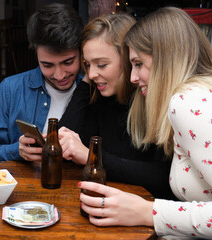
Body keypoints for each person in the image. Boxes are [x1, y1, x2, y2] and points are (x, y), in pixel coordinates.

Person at [78, 7, 212, 239]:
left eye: (138, 64)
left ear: (166, 58)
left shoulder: (188, 102)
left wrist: (149, 212)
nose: (132, 77)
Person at [58, 13, 175, 200]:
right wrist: (85, 83)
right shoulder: (99, 96)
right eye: (87, 65)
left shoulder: (153, 102)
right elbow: (63, 146)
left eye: (102, 64)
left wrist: (93, 158)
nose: (92, 73)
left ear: (130, 61)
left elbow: (164, 178)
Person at [0, 3, 83, 162]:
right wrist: (16, 150)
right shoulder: (10, 90)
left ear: (81, 52)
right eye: (47, 65)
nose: (59, 75)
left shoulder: (93, 92)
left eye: (68, 62)